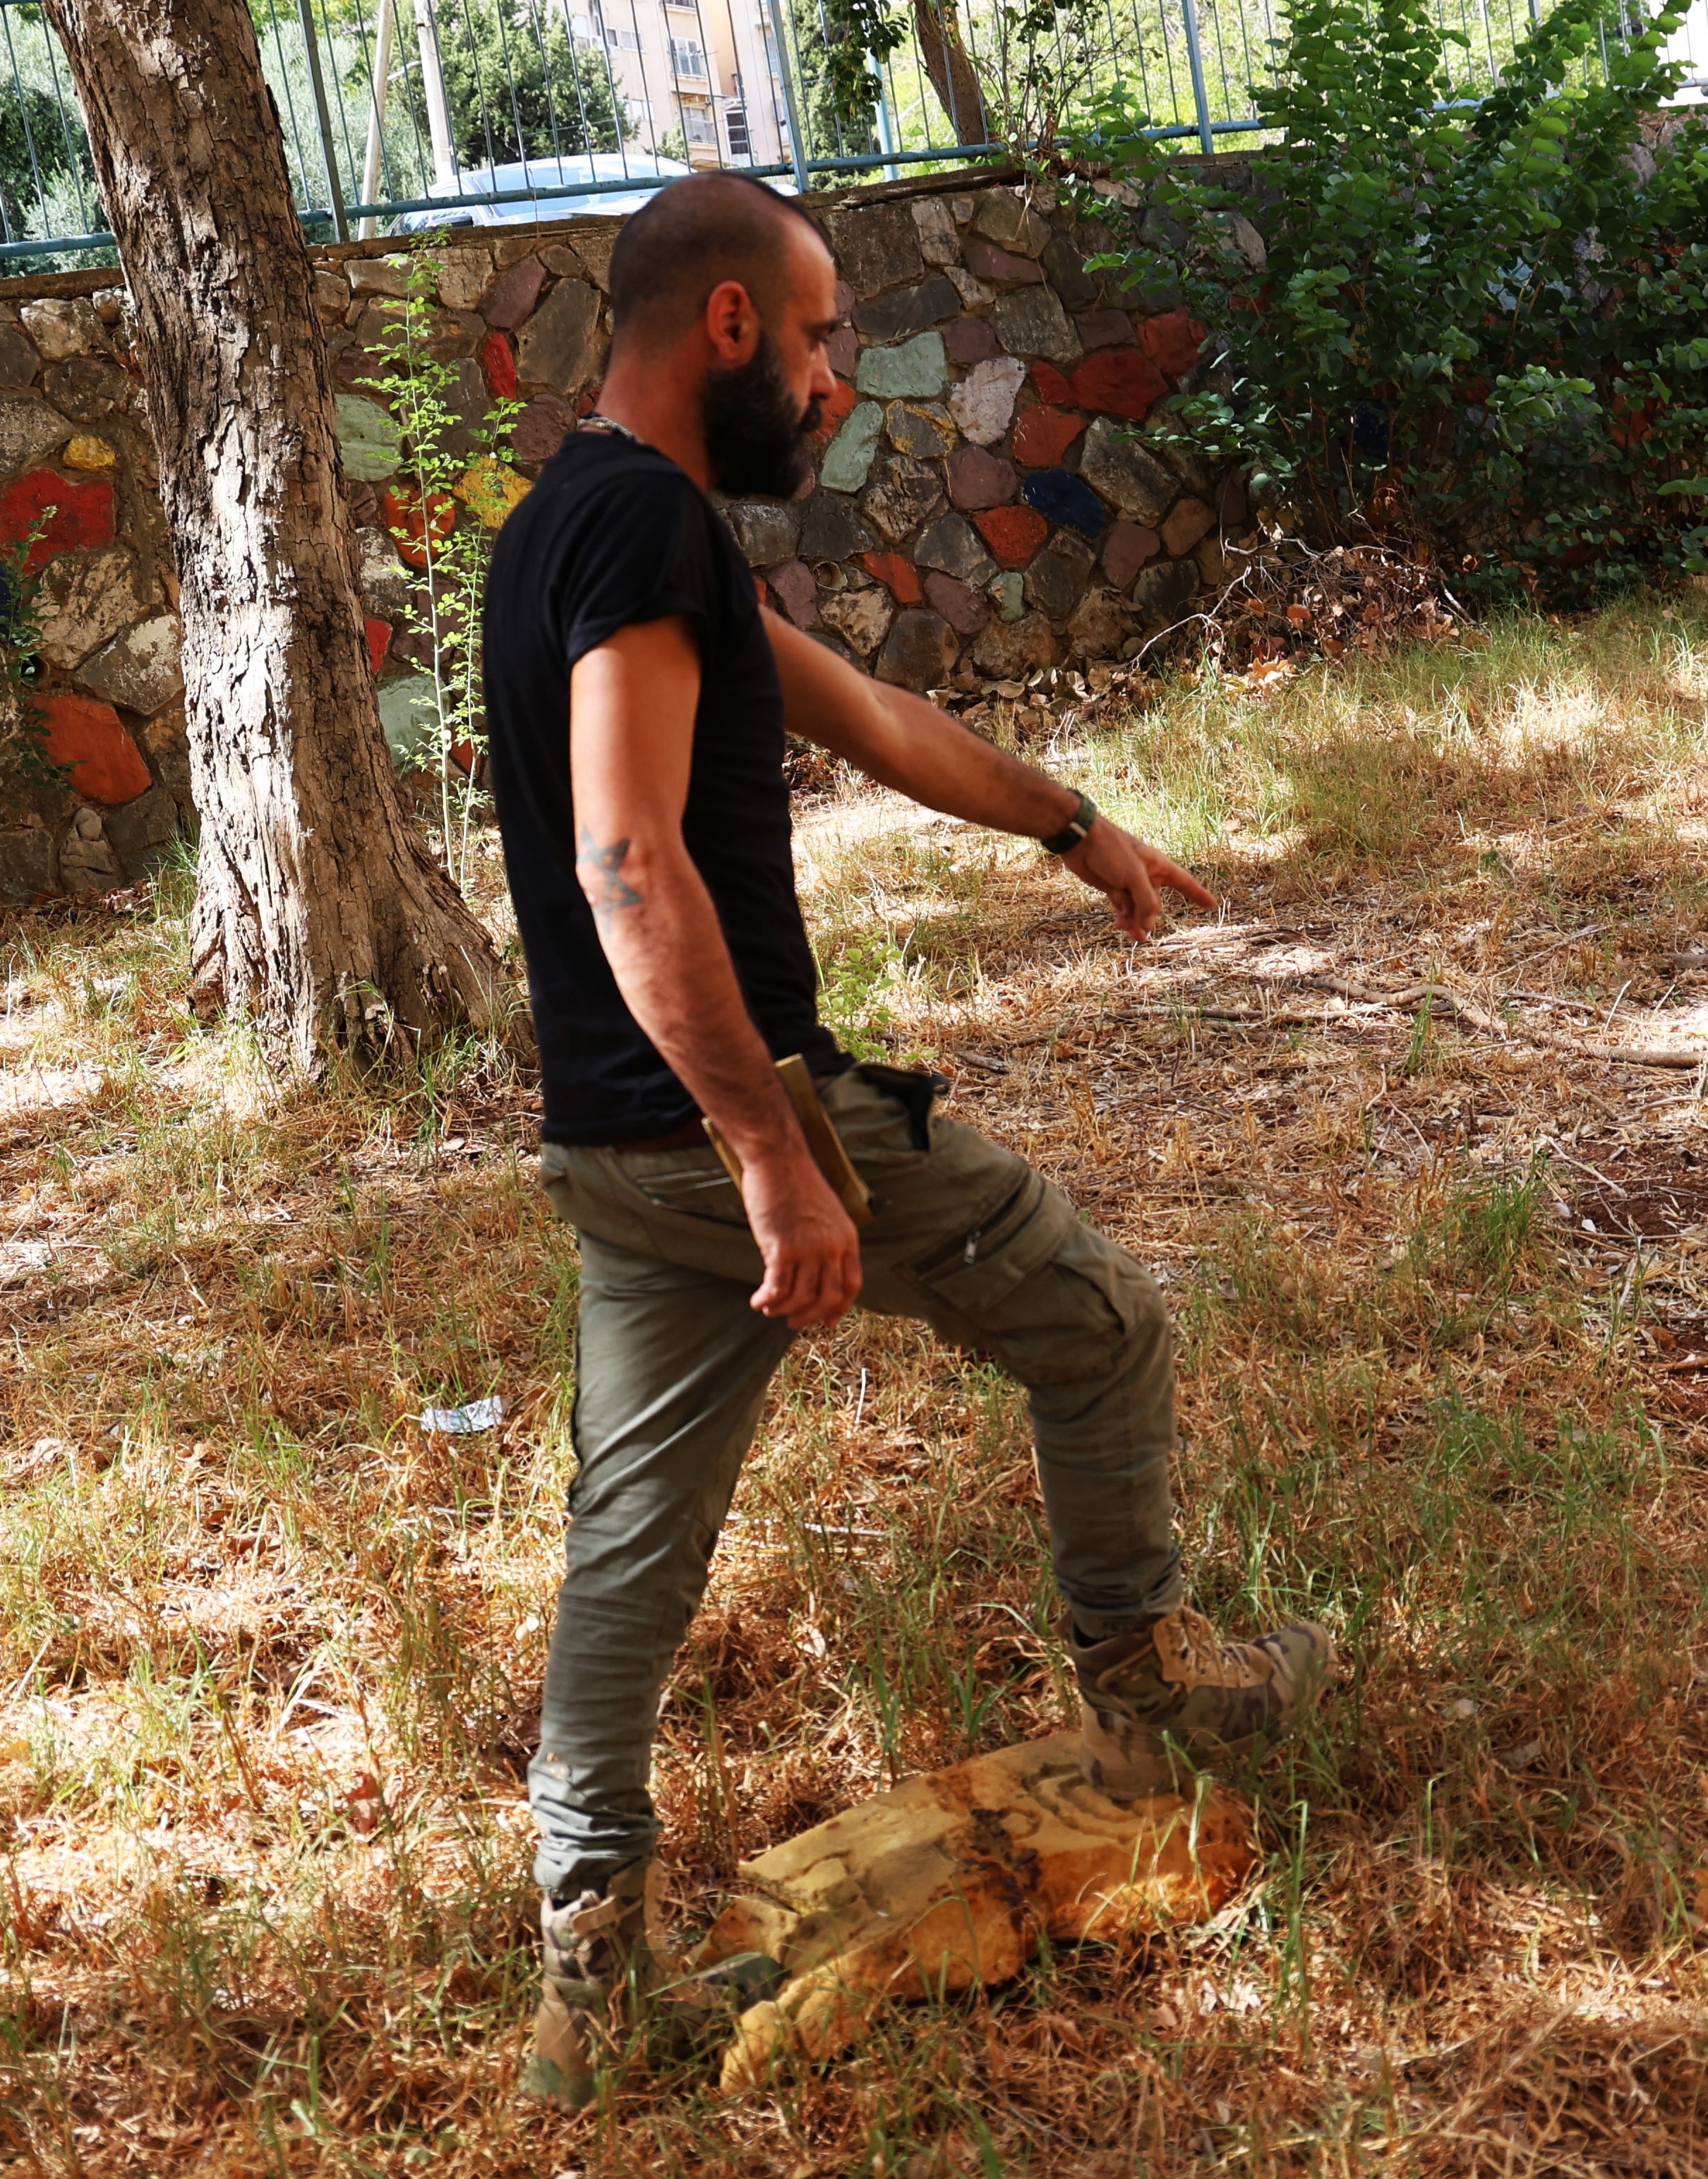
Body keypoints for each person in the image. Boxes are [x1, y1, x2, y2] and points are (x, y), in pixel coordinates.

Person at [479, 172, 1333, 2110]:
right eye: (819, 338)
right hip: (732, 1121)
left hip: (610, 1147)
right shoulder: (638, 530)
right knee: (1100, 1326)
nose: (838, 376)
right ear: (724, 331)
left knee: (629, 1547)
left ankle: (585, 1967)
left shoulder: (571, 530)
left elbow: (863, 709)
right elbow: (627, 860)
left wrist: (1068, 823)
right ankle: (1149, 1694)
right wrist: (778, 1153)